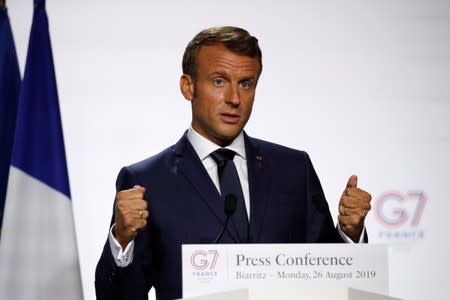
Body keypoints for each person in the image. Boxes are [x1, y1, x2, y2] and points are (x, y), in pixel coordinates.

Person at [95, 26, 372, 300]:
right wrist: (122, 240)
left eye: (245, 84)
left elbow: (329, 278)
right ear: (188, 86)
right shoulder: (147, 182)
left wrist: (350, 235)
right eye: (219, 81)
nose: (234, 99)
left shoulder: (293, 169)